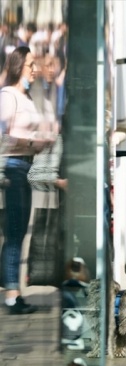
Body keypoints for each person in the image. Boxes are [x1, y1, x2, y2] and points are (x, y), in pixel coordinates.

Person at [0, 46, 55, 314]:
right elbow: (4, 137)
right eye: (30, 64)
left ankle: (14, 290)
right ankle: (12, 295)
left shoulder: (27, 98)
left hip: (26, 166)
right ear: (18, 66)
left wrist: (42, 142)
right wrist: (33, 141)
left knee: (19, 231)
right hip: (13, 168)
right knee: (14, 233)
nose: (34, 69)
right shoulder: (8, 96)